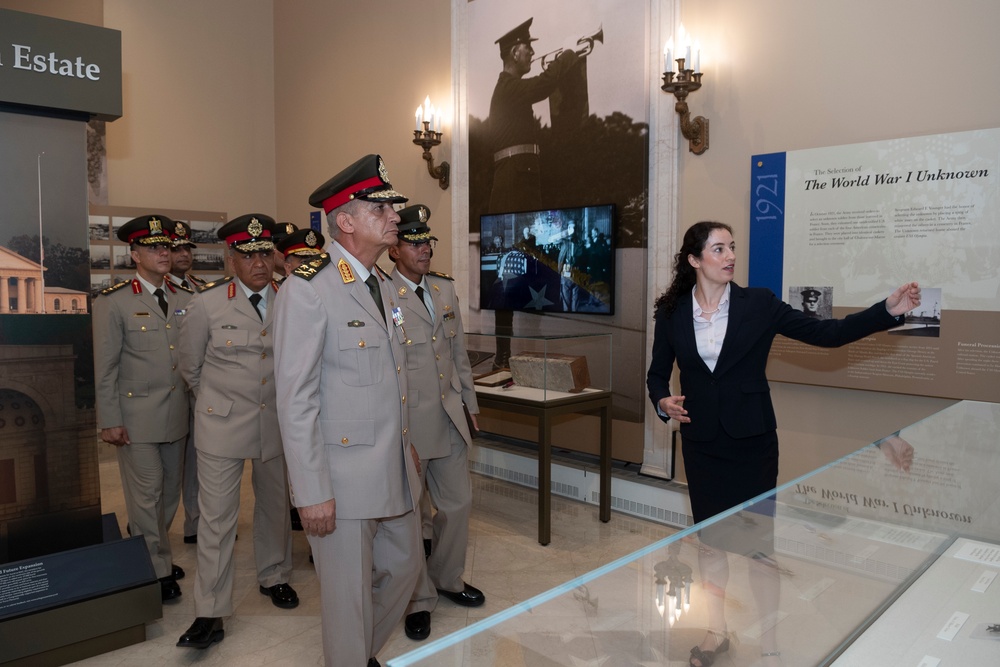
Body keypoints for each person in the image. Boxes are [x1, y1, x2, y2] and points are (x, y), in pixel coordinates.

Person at [646, 221, 921, 667]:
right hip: (701, 444)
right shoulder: (673, 312)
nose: (730, 255)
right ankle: (717, 633)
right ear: (695, 260)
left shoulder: (759, 303)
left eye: (732, 247)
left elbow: (828, 335)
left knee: (759, 548)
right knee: (712, 544)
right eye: (719, 249)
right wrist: (662, 401)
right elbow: (657, 371)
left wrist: (886, 310)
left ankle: (770, 644)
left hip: (752, 444)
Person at [272, 154, 422, 667]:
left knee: (405, 568)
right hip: (339, 477)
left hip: (393, 467)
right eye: (380, 208)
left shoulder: (382, 284)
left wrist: (409, 450)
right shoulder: (308, 290)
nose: (394, 216)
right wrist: (310, 492)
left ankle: (354, 655)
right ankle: (350, 656)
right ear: (347, 221)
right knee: (345, 599)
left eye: (391, 208)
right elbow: (295, 399)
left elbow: (392, 384)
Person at [176, 214, 297, 650]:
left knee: (274, 506)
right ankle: (210, 611)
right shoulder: (206, 305)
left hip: (276, 424)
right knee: (217, 520)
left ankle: (274, 575)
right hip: (222, 424)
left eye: (265, 253)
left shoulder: (292, 298)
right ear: (231, 259)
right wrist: (218, 401)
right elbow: (190, 367)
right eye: (248, 255)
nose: (259, 263)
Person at [386, 205, 485, 643]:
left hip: (449, 417)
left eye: (427, 241)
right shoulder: (383, 294)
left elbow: (459, 354)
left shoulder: (443, 290)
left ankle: (448, 579)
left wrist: (470, 402)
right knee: (410, 516)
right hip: (408, 425)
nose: (424, 248)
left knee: (457, 504)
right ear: (394, 250)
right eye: (414, 241)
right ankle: (417, 599)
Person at [93, 214, 194, 602]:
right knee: (146, 494)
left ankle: (151, 551)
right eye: (153, 248)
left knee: (168, 495)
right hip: (135, 420)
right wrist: (110, 420)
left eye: (166, 246)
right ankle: (156, 568)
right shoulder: (115, 302)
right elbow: (106, 368)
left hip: (176, 416)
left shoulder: (185, 298)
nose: (163, 253)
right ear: (134, 254)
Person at [167, 220, 205, 545]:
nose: (182, 254)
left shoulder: (199, 287)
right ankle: (152, 531)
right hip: (168, 394)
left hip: (196, 391)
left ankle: (195, 524)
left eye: (186, 248)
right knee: (167, 470)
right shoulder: (157, 290)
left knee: (196, 461)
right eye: (175, 248)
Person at [167, 220, 208, 290]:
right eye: (176, 249)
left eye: (187, 248)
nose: (185, 254)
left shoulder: (200, 285)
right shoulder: (159, 286)